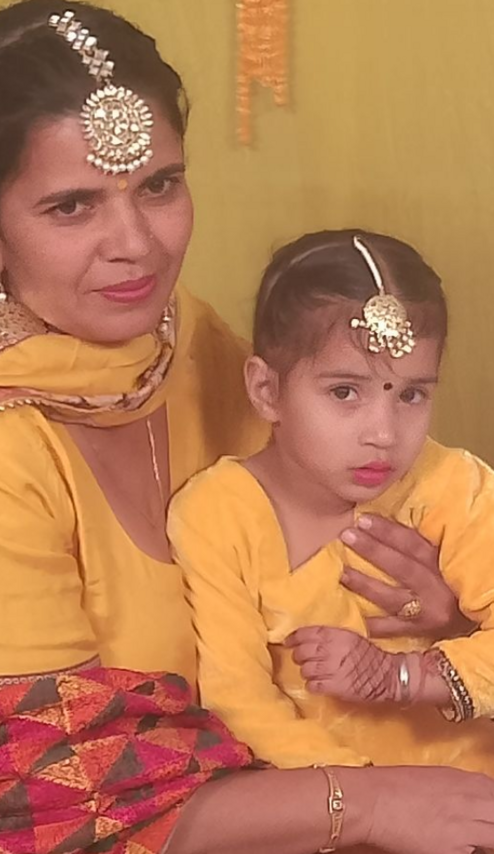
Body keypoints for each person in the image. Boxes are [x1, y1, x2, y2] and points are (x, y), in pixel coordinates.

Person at [0, 4, 492, 852]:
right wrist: (368, 802)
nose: (136, 245)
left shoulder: (173, 338)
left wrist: (438, 623)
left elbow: (306, 552)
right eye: (72, 206)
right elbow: (42, 810)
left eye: (158, 186)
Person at [168, 229, 494, 776]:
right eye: (345, 392)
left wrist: (404, 676)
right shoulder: (217, 514)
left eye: (411, 394)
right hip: (325, 803)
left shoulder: (452, 486)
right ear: (267, 390)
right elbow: (240, 702)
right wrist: (368, 800)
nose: (383, 434)